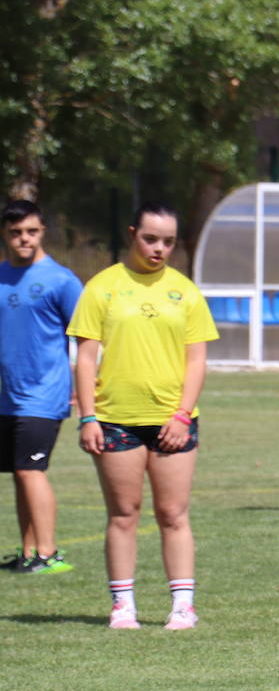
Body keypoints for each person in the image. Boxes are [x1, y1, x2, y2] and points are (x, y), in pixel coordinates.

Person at [68, 202, 219, 629]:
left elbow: (196, 361)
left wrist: (182, 415)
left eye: (168, 242)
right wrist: (88, 416)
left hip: (173, 419)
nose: (159, 249)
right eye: (150, 238)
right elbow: (85, 358)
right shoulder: (102, 288)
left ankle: (182, 606)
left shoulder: (185, 291)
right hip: (115, 418)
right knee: (123, 513)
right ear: (133, 233)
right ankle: (123, 606)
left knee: (173, 513)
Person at [0, 200, 83, 574]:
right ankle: (30, 550)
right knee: (20, 473)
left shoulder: (61, 280)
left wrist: (83, 387)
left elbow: (88, 337)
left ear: (42, 232)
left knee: (32, 471)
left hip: (44, 394)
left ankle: (50, 554)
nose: (24, 239)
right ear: (5, 234)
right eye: (16, 232)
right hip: (8, 397)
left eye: (31, 231)